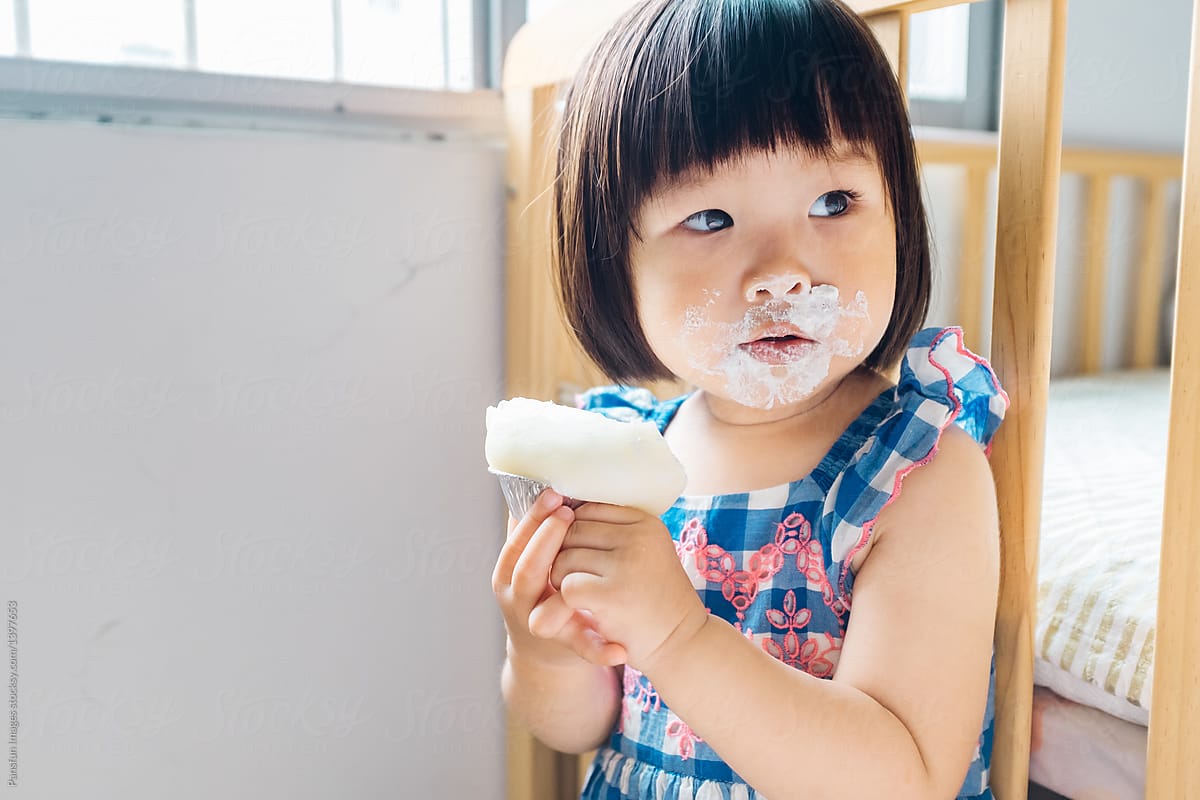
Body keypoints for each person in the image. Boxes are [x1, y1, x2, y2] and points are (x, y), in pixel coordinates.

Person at [491, 0, 1007, 797]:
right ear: (612, 266)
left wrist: (679, 635)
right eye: (709, 216)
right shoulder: (620, 463)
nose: (783, 271)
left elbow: (903, 779)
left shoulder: (916, 469)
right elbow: (580, 728)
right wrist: (547, 652)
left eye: (833, 203)